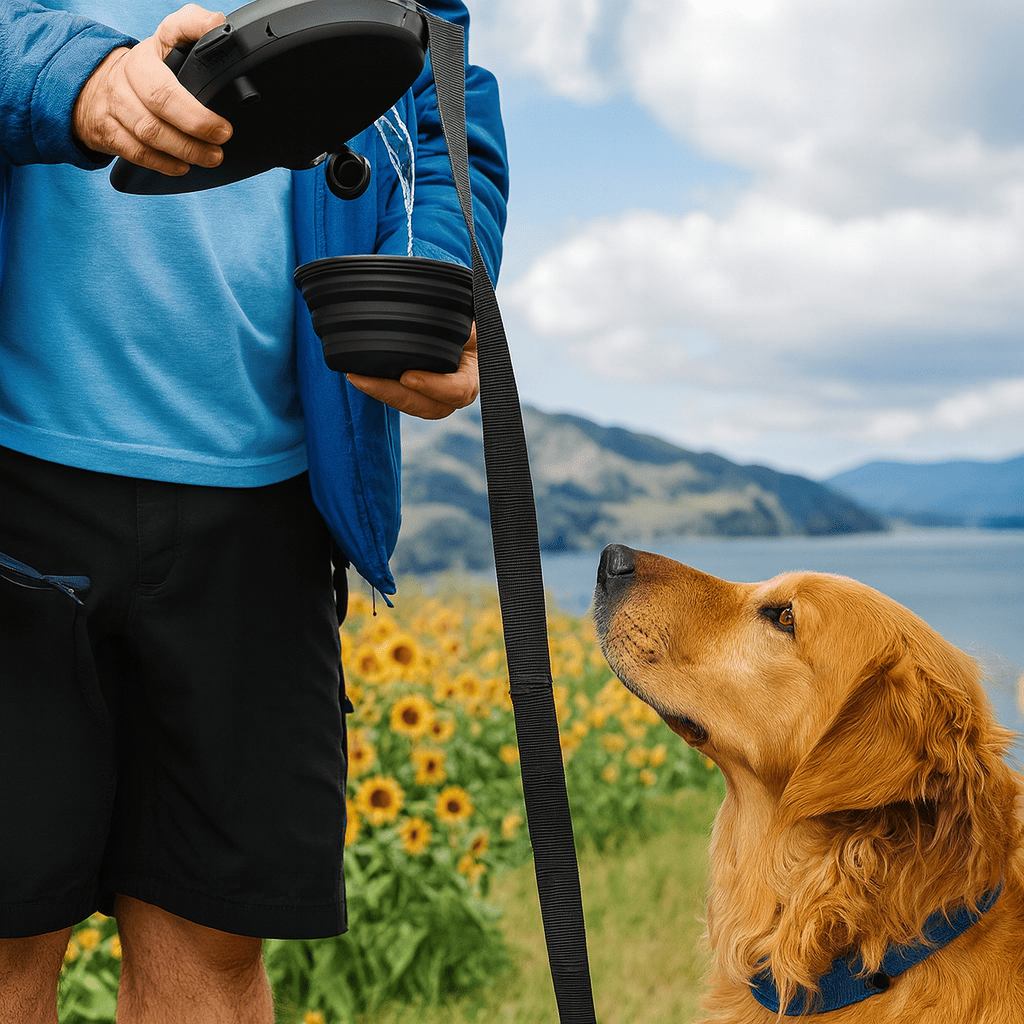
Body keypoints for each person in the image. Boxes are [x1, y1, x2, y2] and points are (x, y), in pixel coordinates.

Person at [0, 2, 508, 1021]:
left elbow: (442, 108)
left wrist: (439, 272)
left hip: (268, 504)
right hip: (17, 479)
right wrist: (80, 78)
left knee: (217, 948)